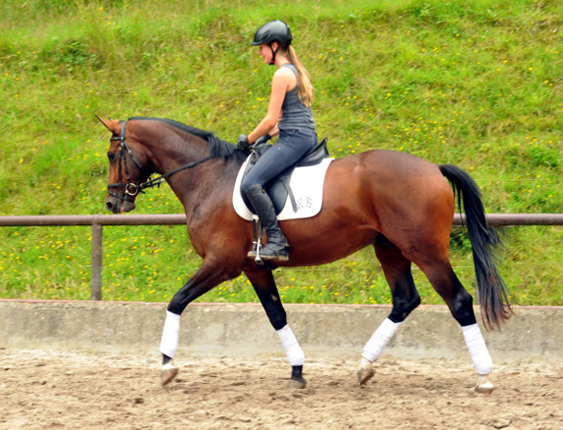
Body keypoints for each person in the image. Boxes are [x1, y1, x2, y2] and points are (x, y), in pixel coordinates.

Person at [238, 20, 317, 262]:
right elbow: (282, 121)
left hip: (294, 139)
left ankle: (276, 241)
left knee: (250, 183)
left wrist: (247, 139)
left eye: (261, 47)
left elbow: (272, 118)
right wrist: (264, 137)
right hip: (301, 135)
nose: (259, 52)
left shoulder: (282, 74)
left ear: (274, 46)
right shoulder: (294, 70)